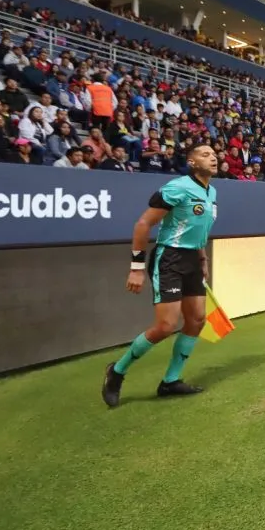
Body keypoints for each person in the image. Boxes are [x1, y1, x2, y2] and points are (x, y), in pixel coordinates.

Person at [101, 144, 219, 407]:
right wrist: (136, 268)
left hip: (192, 259)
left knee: (197, 320)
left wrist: (202, 258)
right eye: (205, 154)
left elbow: (197, 228)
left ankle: (170, 381)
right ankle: (117, 371)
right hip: (170, 258)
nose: (213, 157)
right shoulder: (177, 187)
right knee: (166, 325)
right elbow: (143, 224)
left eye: (214, 154)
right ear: (191, 161)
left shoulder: (212, 192)